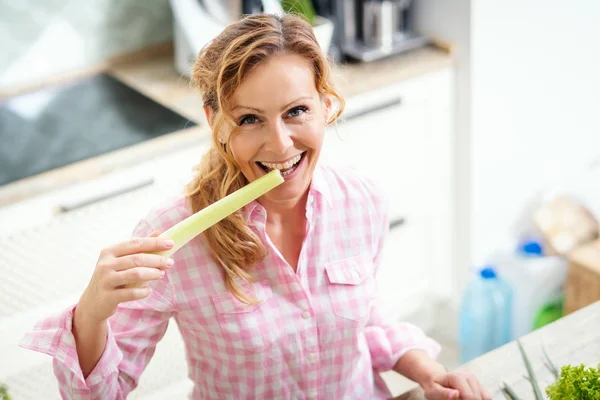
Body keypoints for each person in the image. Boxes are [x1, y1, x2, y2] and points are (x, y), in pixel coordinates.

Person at [20, 13, 491, 400]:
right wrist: (92, 314)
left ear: (326, 104)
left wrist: (427, 370)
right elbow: (102, 394)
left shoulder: (361, 201)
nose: (280, 143)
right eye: (249, 119)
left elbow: (362, 321)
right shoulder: (173, 235)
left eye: (297, 111)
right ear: (215, 121)